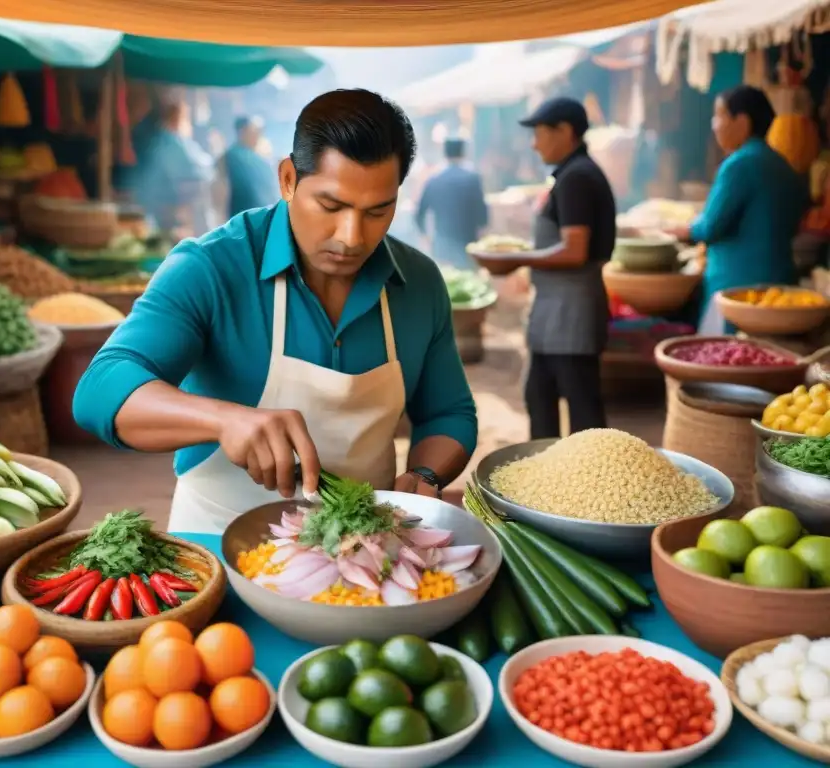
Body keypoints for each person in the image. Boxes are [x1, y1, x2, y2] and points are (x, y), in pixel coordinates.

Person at [73, 89, 478, 534]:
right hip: (219, 539)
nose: (351, 237)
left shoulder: (417, 284)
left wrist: (424, 475)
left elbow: (448, 413)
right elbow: (99, 390)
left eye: (378, 211)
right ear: (288, 179)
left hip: (366, 546)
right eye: (331, 205)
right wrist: (224, 419)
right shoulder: (211, 267)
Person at [470, 97, 616, 440]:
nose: (534, 144)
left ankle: (591, 483)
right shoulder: (571, 173)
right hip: (557, 316)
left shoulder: (577, 177)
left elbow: (574, 250)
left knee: (584, 414)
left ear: (564, 131)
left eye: (538, 133)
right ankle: (543, 478)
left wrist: (514, 259)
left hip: (571, 315)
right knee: (539, 396)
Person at [667, 85, 808, 334]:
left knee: (724, 365)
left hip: (737, 291)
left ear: (742, 122)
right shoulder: (783, 166)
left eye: (719, 115)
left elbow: (710, 227)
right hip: (781, 288)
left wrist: (680, 230)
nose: (714, 124)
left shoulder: (739, 164)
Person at [139, 101, 215, 236]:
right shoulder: (171, 140)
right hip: (167, 200)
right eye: (185, 117)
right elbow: (201, 168)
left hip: (163, 200)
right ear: (177, 117)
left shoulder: (165, 139)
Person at [415, 138, 489, 268]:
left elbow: (419, 213)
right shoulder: (472, 178)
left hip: (441, 245)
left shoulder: (434, 179)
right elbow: (483, 214)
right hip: (468, 243)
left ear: (445, 153)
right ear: (463, 153)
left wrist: (426, 237)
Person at [216, 116, 280, 218]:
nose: (257, 135)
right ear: (243, 131)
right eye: (253, 130)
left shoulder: (260, 158)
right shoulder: (230, 157)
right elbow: (220, 191)